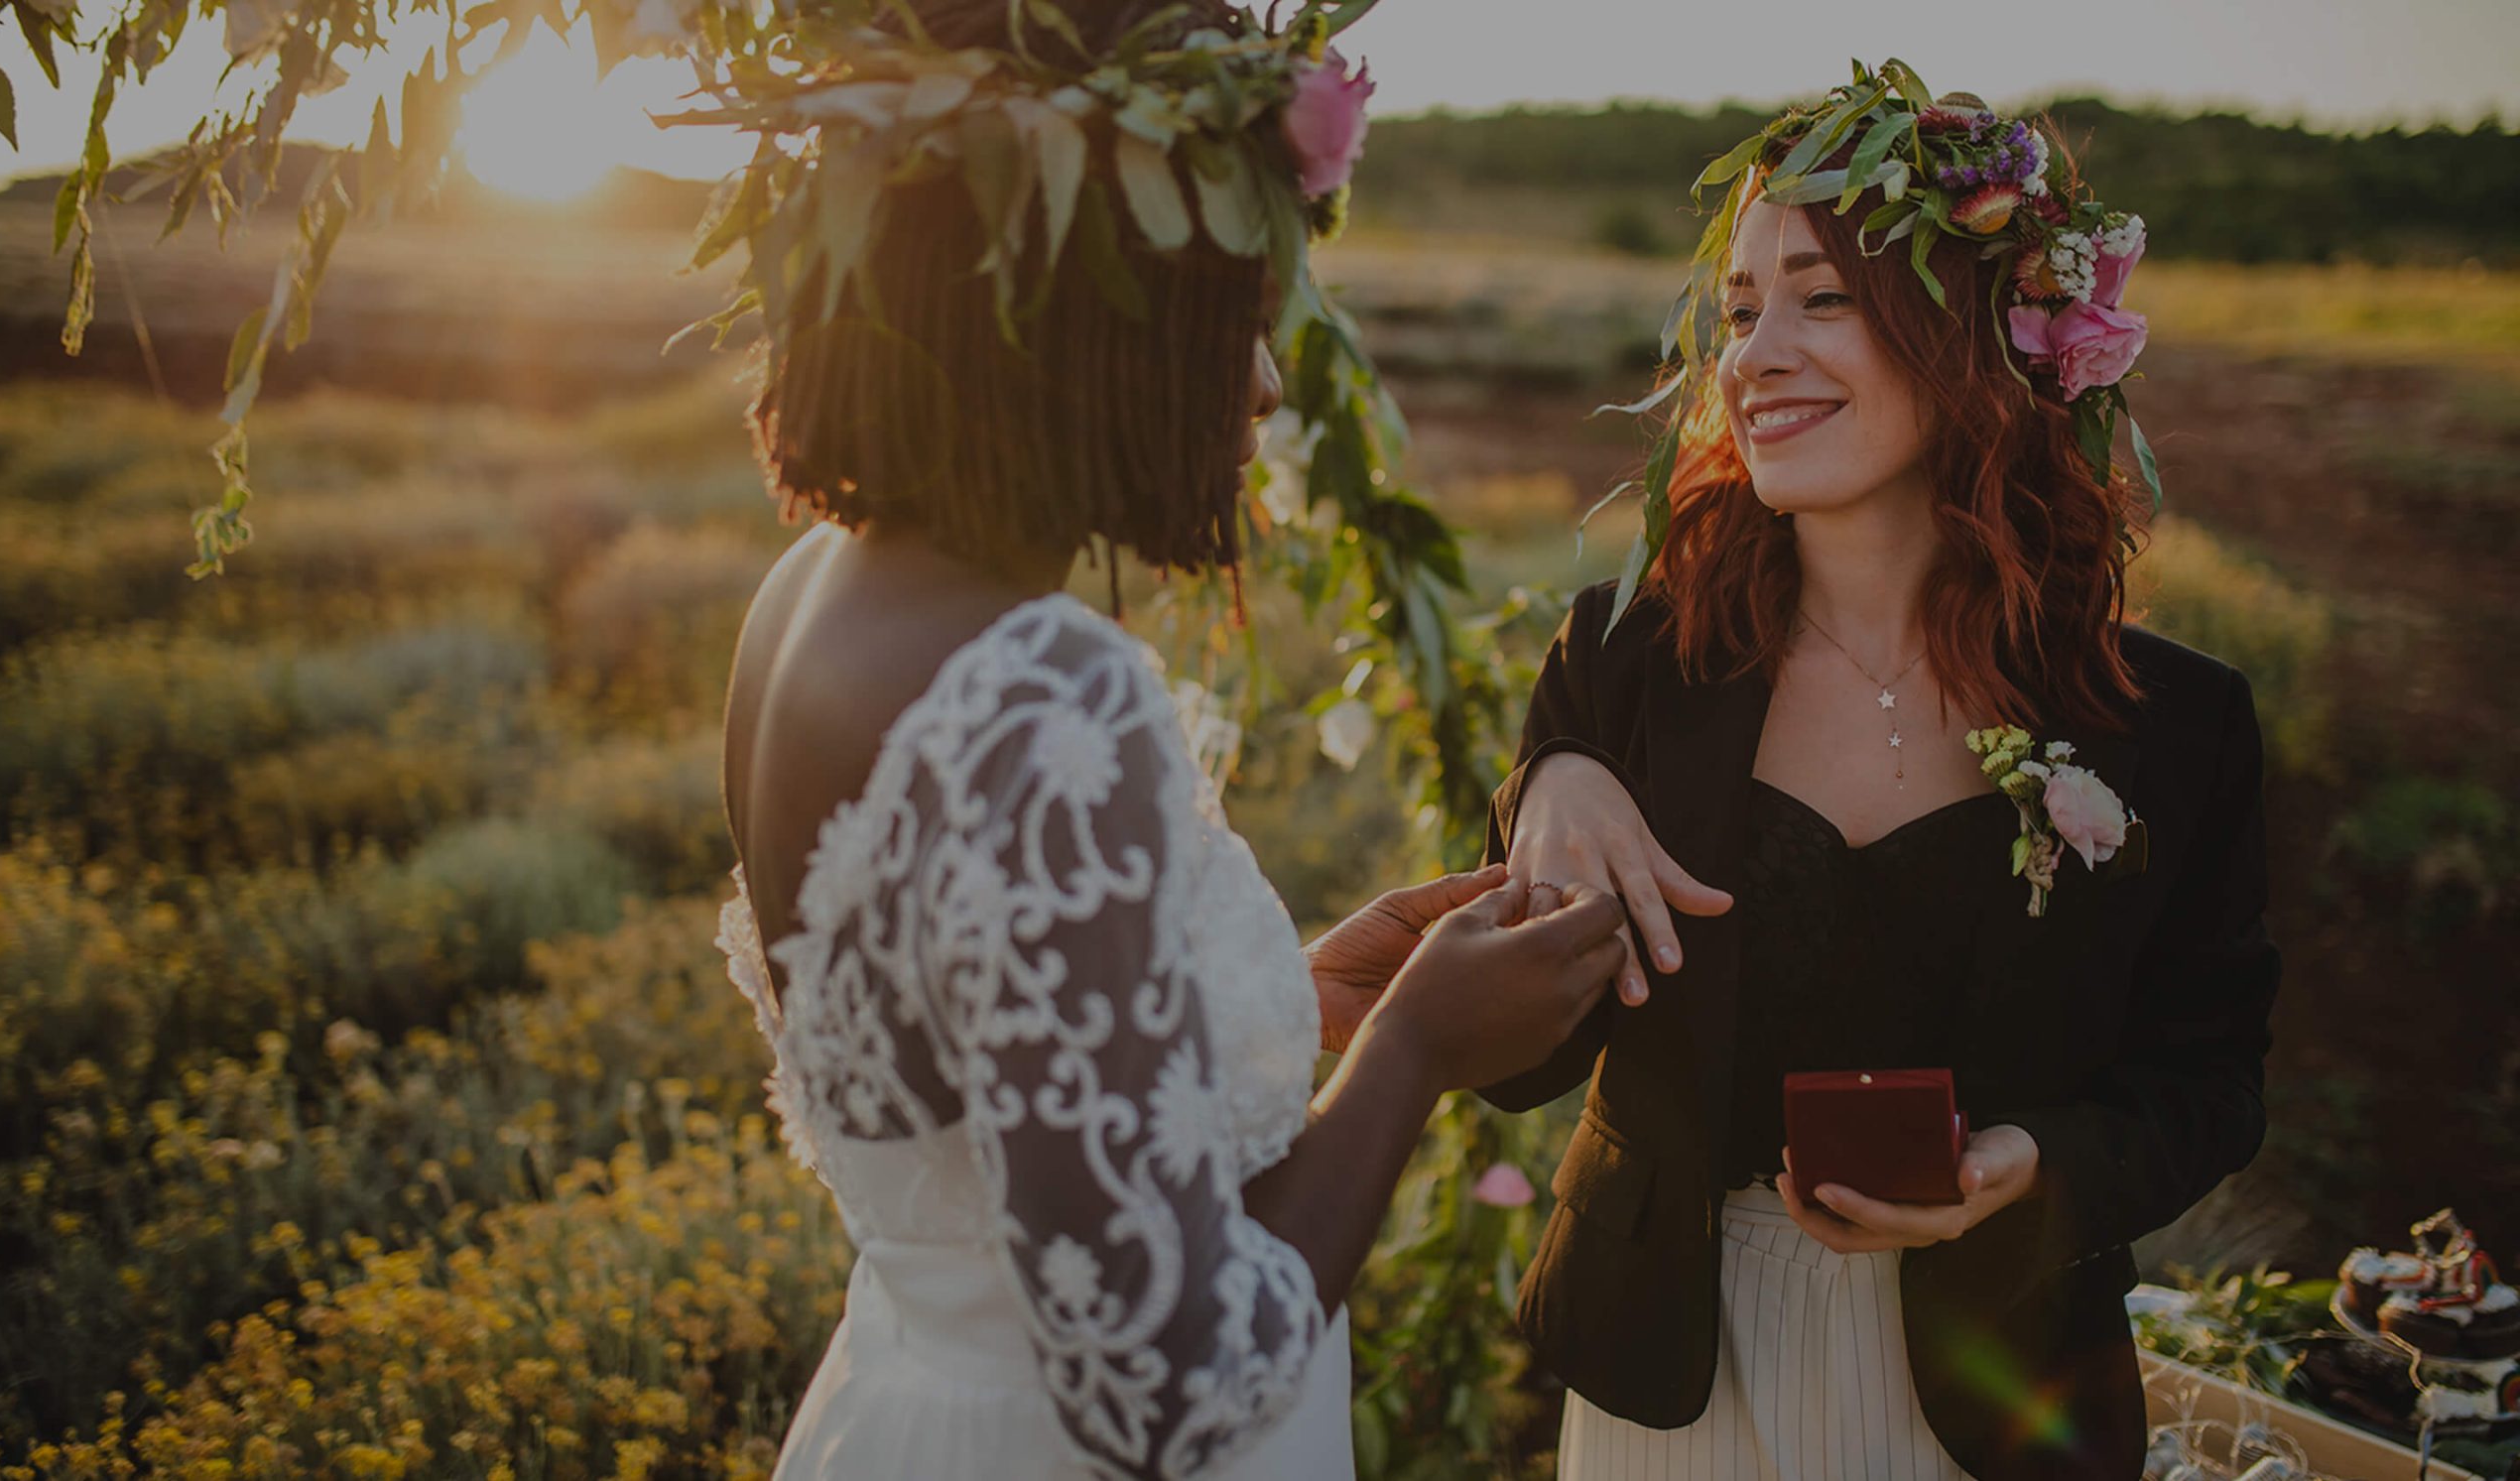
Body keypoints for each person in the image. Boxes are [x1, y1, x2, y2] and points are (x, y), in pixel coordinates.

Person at [709, 4, 1627, 1478]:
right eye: (1240, 326)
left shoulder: (804, 597)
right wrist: (1410, 1050)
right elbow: (1172, 1381)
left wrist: (1296, 996)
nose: (1266, 388)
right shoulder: (1044, 690)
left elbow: (986, 1062)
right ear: (1094, 311)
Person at [1478, 73, 2281, 1481]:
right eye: (1739, 310)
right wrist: (1543, 791)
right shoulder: (1626, 661)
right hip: (1678, 1378)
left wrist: (2029, 1165)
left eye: (1820, 300)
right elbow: (1519, 1058)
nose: (1752, 357)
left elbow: (2209, 1082)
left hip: (2000, 1386)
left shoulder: (2176, 723)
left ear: (1977, 334)